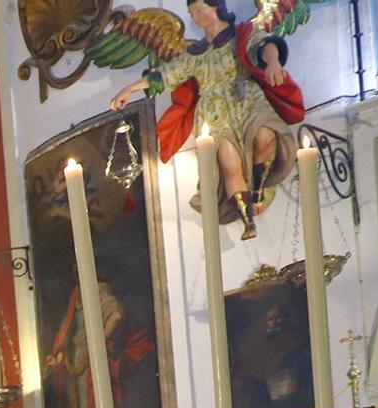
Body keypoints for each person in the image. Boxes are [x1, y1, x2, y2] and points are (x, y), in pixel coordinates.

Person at [108, 0, 305, 240]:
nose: (198, 16)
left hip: (247, 99)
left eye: (201, 9)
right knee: (231, 169)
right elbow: (166, 74)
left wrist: (273, 61)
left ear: (217, 7)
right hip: (214, 112)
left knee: (266, 138)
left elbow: (265, 46)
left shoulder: (241, 34)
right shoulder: (194, 54)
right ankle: (247, 222)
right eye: (193, 13)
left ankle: (258, 188)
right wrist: (130, 89)